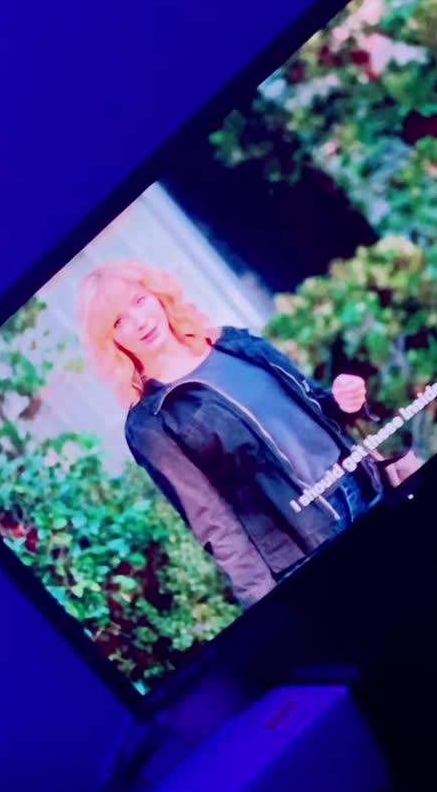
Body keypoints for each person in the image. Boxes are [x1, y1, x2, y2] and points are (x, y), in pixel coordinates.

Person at [76, 258, 404, 608]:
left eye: (139, 300)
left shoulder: (232, 342)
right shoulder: (149, 423)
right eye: (119, 321)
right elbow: (215, 525)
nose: (139, 321)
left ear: (157, 295)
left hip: (363, 486)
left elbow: (313, 403)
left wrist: (343, 400)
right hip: (309, 543)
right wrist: (266, 604)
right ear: (111, 341)